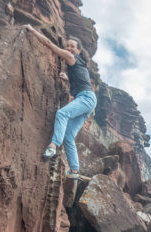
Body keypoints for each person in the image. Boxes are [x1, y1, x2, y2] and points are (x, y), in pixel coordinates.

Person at [25, 25, 96, 179]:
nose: (69, 47)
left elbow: (49, 45)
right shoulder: (79, 63)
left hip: (86, 98)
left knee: (62, 113)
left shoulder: (72, 57)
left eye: (72, 46)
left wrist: (31, 30)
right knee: (69, 136)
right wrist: (68, 79)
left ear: (78, 50)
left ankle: (53, 146)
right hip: (87, 100)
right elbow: (81, 81)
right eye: (67, 45)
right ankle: (75, 171)